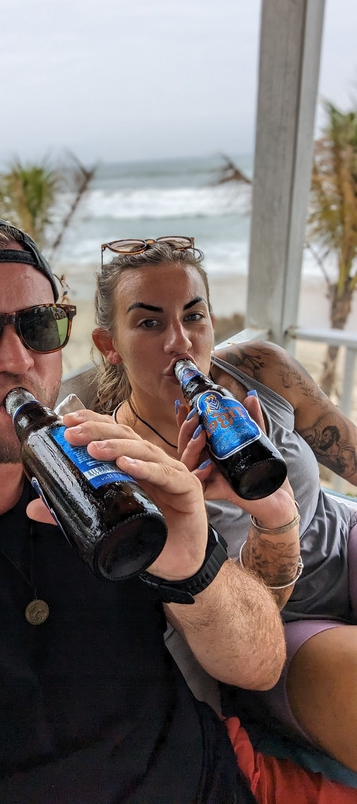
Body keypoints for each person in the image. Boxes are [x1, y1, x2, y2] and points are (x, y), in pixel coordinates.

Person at [0, 214, 292, 804]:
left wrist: (193, 566)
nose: (16, 359)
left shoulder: (117, 472)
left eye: (38, 326)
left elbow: (259, 666)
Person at [92, 236, 357, 775]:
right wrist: (271, 516)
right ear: (108, 344)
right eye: (149, 323)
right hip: (283, 626)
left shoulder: (261, 369)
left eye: (194, 316)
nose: (180, 342)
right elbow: (238, 617)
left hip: (344, 542)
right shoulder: (124, 473)